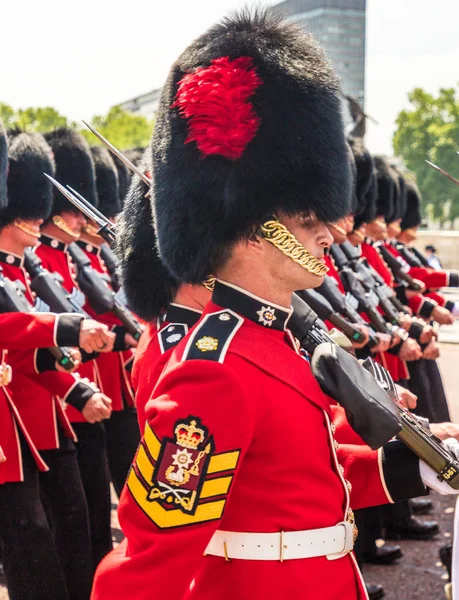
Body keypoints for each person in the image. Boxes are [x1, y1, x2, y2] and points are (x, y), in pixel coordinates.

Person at [92, 12, 457, 600]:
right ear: (253, 224)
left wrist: (423, 460)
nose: (330, 231)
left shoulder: (282, 342)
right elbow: (147, 566)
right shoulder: (211, 371)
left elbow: (310, 474)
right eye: (308, 217)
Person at [36, 127, 114, 565]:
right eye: (75, 211)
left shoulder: (68, 259)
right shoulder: (39, 261)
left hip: (88, 386)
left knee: (90, 511)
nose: (84, 220)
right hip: (54, 398)